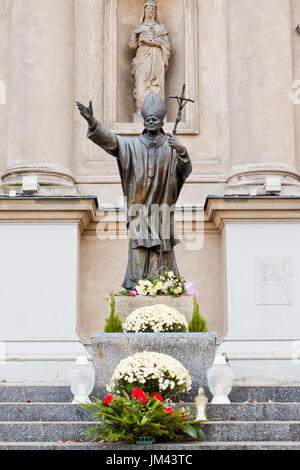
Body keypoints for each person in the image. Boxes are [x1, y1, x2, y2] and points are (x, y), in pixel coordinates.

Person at [76, 92, 192, 289]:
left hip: (161, 213)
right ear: (143, 121)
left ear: (162, 121)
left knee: (161, 256)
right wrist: (93, 122)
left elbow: (184, 171)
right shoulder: (131, 145)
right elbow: (111, 141)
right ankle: (137, 289)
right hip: (139, 212)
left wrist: (181, 151)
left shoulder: (171, 148)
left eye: (155, 118)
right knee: (139, 250)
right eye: (148, 119)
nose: (151, 121)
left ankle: (162, 287)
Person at [128, 0, 170, 112]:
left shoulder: (161, 28)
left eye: (153, 9)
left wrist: (155, 42)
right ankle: (142, 108)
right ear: (144, 10)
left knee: (156, 84)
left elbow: (167, 44)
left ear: (156, 12)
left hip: (157, 57)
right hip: (143, 57)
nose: (151, 11)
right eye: (148, 8)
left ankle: (157, 111)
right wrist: (135, 33)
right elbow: (132, 46)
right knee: (141, 82)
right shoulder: (139, 27)